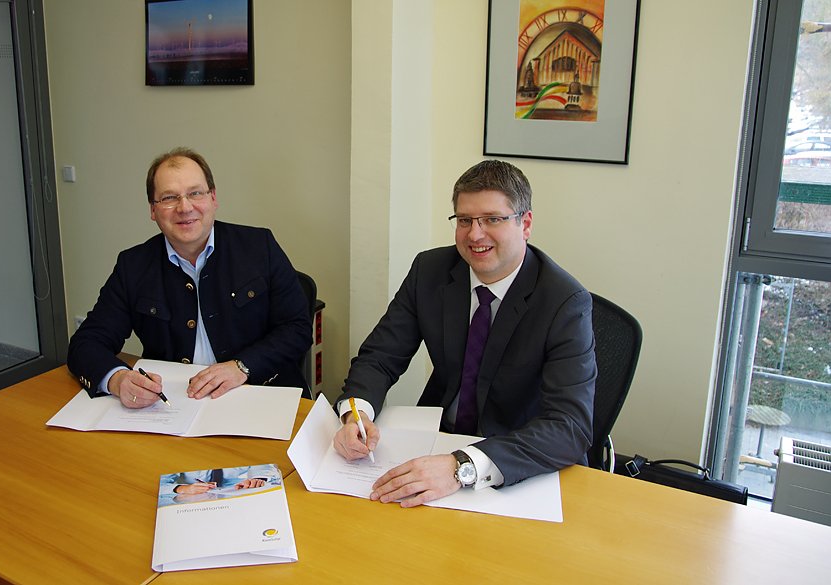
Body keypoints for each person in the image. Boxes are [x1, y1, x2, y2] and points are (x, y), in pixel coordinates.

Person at [333, 159, 596, 507]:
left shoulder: (564, 302)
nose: (475, 234)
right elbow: (380, 356)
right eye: (464, 220)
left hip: (517, 464)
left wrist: (462, 466)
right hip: (436, 442)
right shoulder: (430, 271)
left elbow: (570, 427)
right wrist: (356, 413)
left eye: (492, 219)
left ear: (525, 223)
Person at [67, 147, 312, 406]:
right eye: (169, 197)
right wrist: (117, 379)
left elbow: (297, 328)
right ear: (153, 210)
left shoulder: (259, 246)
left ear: (213, 198)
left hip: (261, 394)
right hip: (175, 405)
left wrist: (242, 366)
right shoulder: (133, 266)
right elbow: (86, 343)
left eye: (195, 193)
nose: (184, 208)